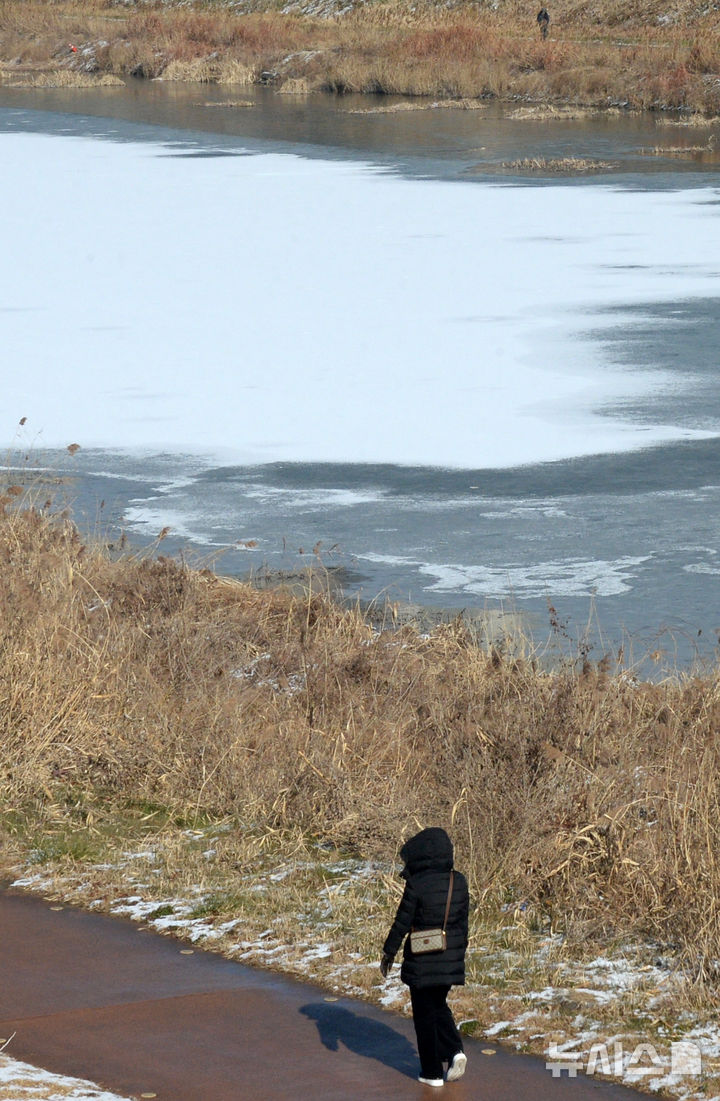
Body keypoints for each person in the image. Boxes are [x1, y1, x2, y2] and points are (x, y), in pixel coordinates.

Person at [380, 827, 469, 1087]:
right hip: (450, 956)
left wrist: (389, 952)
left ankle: (432, 1073)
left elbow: (402, 922)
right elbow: (463, 924)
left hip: (422, 958)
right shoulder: (458, 881)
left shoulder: (417, 883)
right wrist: (458, 953)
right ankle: (454, 1051)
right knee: (438, 1004)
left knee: (424, 1014)